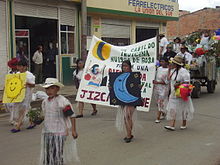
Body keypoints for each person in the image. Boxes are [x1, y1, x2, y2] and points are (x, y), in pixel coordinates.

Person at [40, 78, 78, 165]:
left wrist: (73, 130)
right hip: (47, 132)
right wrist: (36, 120)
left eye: (52, 88)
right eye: (47, 89)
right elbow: (44, 115)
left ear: (57, 89)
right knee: (48, 152)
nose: (49, 91)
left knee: (57, 153)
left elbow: (71, 116)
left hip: (59, 132)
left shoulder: (62, 101)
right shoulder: (45, 102)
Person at [164, 56, 194, 131]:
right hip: (174, 93)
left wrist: (179, 84)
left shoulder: (184, 71)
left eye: (173, 63)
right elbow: (168, 80)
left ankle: (184, 123)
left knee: (184, 108)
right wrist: (169, 70)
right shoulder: (172, 71)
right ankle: (172, 125)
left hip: (181, 93)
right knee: (172, 108)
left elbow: (187, 82)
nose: (172, 64)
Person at [10, 60, 35, 133]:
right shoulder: (17, 74)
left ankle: (18, 126)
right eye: (18, 66)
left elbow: (33, 85)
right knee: (24, 109)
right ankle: (31, 122)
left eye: (20, 66)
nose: (19, 67)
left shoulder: (29, 75)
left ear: (25, 67)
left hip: (27, 94)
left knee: (24, 109)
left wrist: (27, 83)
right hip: (19, 94)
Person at [115, 60, 137, 143]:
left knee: (127, 116)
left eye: (126, 66)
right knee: (126, 117)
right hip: (122, 98)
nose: (124, 67)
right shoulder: (119, 76)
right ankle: (129, 133)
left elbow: (138, 87)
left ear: (130, 67)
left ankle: (128, 135)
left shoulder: (134, 76)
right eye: (123, 66)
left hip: (132, 99)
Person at [153, 57, 169, 123]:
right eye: (161, 61)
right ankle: (163, 112)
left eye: (163, 61)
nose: (162, 63)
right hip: (157, 88)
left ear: (166, 62)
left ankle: (158, 117)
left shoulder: (168, 70)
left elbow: (166, 82)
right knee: (158, 101)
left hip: (164, 89)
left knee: (160, 102)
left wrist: (158, 82)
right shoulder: (159, 69)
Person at [5, 58, 18, 125]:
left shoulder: (19, 73)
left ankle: (13, 119)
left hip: (17, 90)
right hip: (10, 90)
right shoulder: (9, 73)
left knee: (14, 105)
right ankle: (13, 117)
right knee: (8, 105)